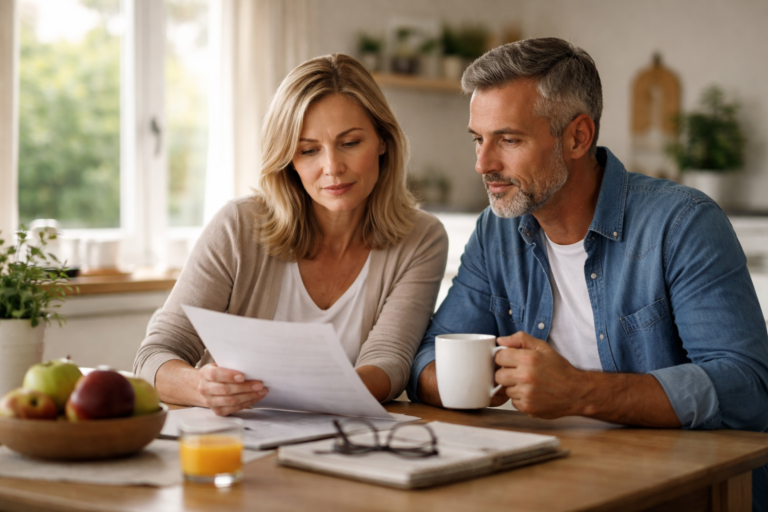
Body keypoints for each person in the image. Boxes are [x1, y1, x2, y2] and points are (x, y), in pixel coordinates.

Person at [406, 38, 768, 510]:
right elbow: (427, 359)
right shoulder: (497, 232)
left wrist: (580, 391)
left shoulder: (682, 224)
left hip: (677, 490)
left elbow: (748, 389)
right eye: (478, 139)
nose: (483, 164)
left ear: (577, 137)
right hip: (546, 476)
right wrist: (473, 376)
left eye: (508, 140)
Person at [134, 54, 448, 417]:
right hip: (233, 441)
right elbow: (155, 354)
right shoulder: (237, 225)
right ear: (288, 160)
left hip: (342, 442)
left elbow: (389, 362)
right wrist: (202, 388)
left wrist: (304, 393)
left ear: (382, 140)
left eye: (350, 143)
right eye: (309, 150)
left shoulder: (422, 238)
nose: (332, 168)